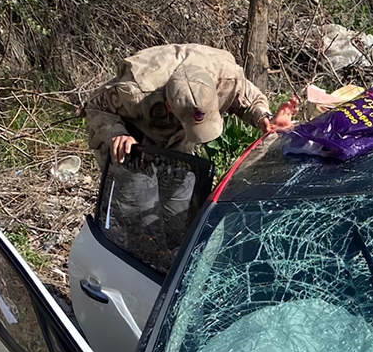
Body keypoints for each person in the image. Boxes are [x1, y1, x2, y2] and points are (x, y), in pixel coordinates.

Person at [83, 44, 298, 260]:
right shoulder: (135, 90)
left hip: (177, 141)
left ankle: (172, 259)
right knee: (140, 214)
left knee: (179, 208)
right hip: (132, 139)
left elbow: (247, 99)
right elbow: (94, 106)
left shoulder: (226, 77)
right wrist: (116, 133)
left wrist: (266, 119)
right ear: (169, 108)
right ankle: (135, 263)